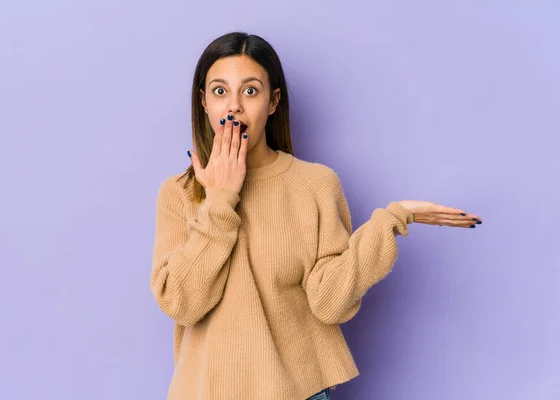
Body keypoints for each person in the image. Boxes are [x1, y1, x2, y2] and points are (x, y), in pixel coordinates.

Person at [150, 31, 482, 400]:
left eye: (250, 91)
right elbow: (181, 303)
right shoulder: (179, 193)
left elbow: (329, 303)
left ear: (273, 101)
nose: (234, 107)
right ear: (203, 102)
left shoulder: (316, 184)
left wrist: (391, 219)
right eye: (219, 91)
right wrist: (221, 198)